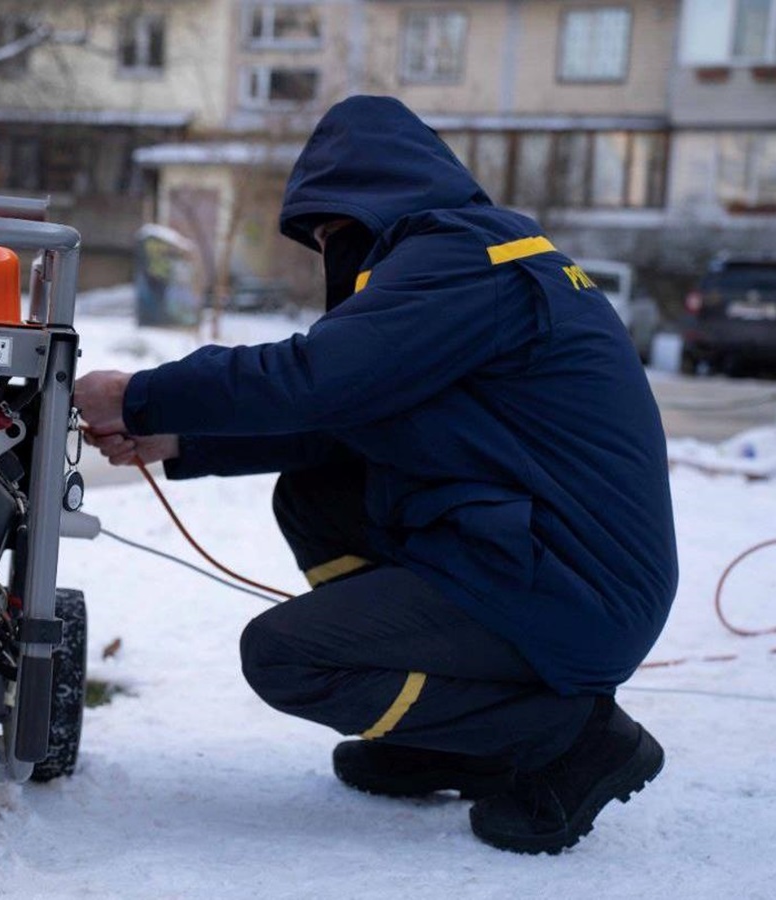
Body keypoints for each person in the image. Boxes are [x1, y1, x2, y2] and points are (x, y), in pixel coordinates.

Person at [74, 96, 676, 855]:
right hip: (541, 559)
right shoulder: (472, 255)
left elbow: (319, 377)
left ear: (369, 206)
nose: (331, 253)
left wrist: (141, 394)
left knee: (286, 658)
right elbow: (348, 423)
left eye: (332, 232)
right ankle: (447, 734)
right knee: (318, 498)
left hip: (573, 589)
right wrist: (182, 441)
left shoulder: (463, 260)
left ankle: (574, 736)